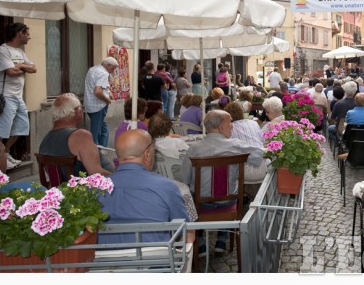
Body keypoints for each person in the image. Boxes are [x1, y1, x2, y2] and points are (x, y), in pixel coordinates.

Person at [180, 110, 265, 253]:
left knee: (192, 196)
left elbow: (184, 179)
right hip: (228, 203)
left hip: (202, 206)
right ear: (220, 127)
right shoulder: (236, 146)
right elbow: (259, 155)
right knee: (229, 190)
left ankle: (200, 242)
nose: (232, 126)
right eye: (230, 122)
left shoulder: (194, 149)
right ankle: (221, 240)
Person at [98, 129, 192, 245]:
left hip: (105, 260)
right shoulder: (167, 187)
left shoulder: (95, 189)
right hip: (155, 260)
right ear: (147, 154)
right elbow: (185, 230)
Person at [38, 93, 110, 178]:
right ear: (77, 111)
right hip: (88, 189)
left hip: (62, 189)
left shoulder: (45, 140)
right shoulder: (81, 136)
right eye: (81, 108)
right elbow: (97, 174)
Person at [0, 22, 37, 168]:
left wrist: (19, 66)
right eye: (27, 33)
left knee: (22, 126)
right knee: (2, 129)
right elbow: (10, 72)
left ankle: (5, 152)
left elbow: (34, 69)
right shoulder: (3, 50)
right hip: (6, 96)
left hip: (18, 97)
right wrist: (22, 68)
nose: (29, 37)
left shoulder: (21, 52)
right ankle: (0, 158)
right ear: (20, 33)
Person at [223, 101, 268, 187]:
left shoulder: (228, 128)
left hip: (241, 171)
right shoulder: (254, 123)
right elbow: (262, 143)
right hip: (262, 167)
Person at [83, 57, 118, 147]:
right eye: (112, 68)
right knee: (96, 131)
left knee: (103, 127)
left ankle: (103, 148)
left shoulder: (93, 69)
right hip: (98, 106)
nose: (112, 71)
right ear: (108, 65)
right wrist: (107, 100)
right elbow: (97, 91)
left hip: (89, 104)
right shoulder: (103, 73)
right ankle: (96, 151)